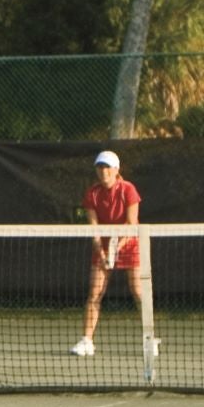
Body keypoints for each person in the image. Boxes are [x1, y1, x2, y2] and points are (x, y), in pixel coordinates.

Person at [73, 149, 153, 359]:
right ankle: (87, 341)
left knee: (138, 292)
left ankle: (150, 338)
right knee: (95, 294)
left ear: (117, 170)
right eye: (99, 167)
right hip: (103, 247)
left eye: (107, 167)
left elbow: (131, 222)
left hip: (130, 245)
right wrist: (101, 248)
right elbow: (94, 226)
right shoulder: (92, 193)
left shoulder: (128, 190)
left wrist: (117, 246)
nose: (103, 171)